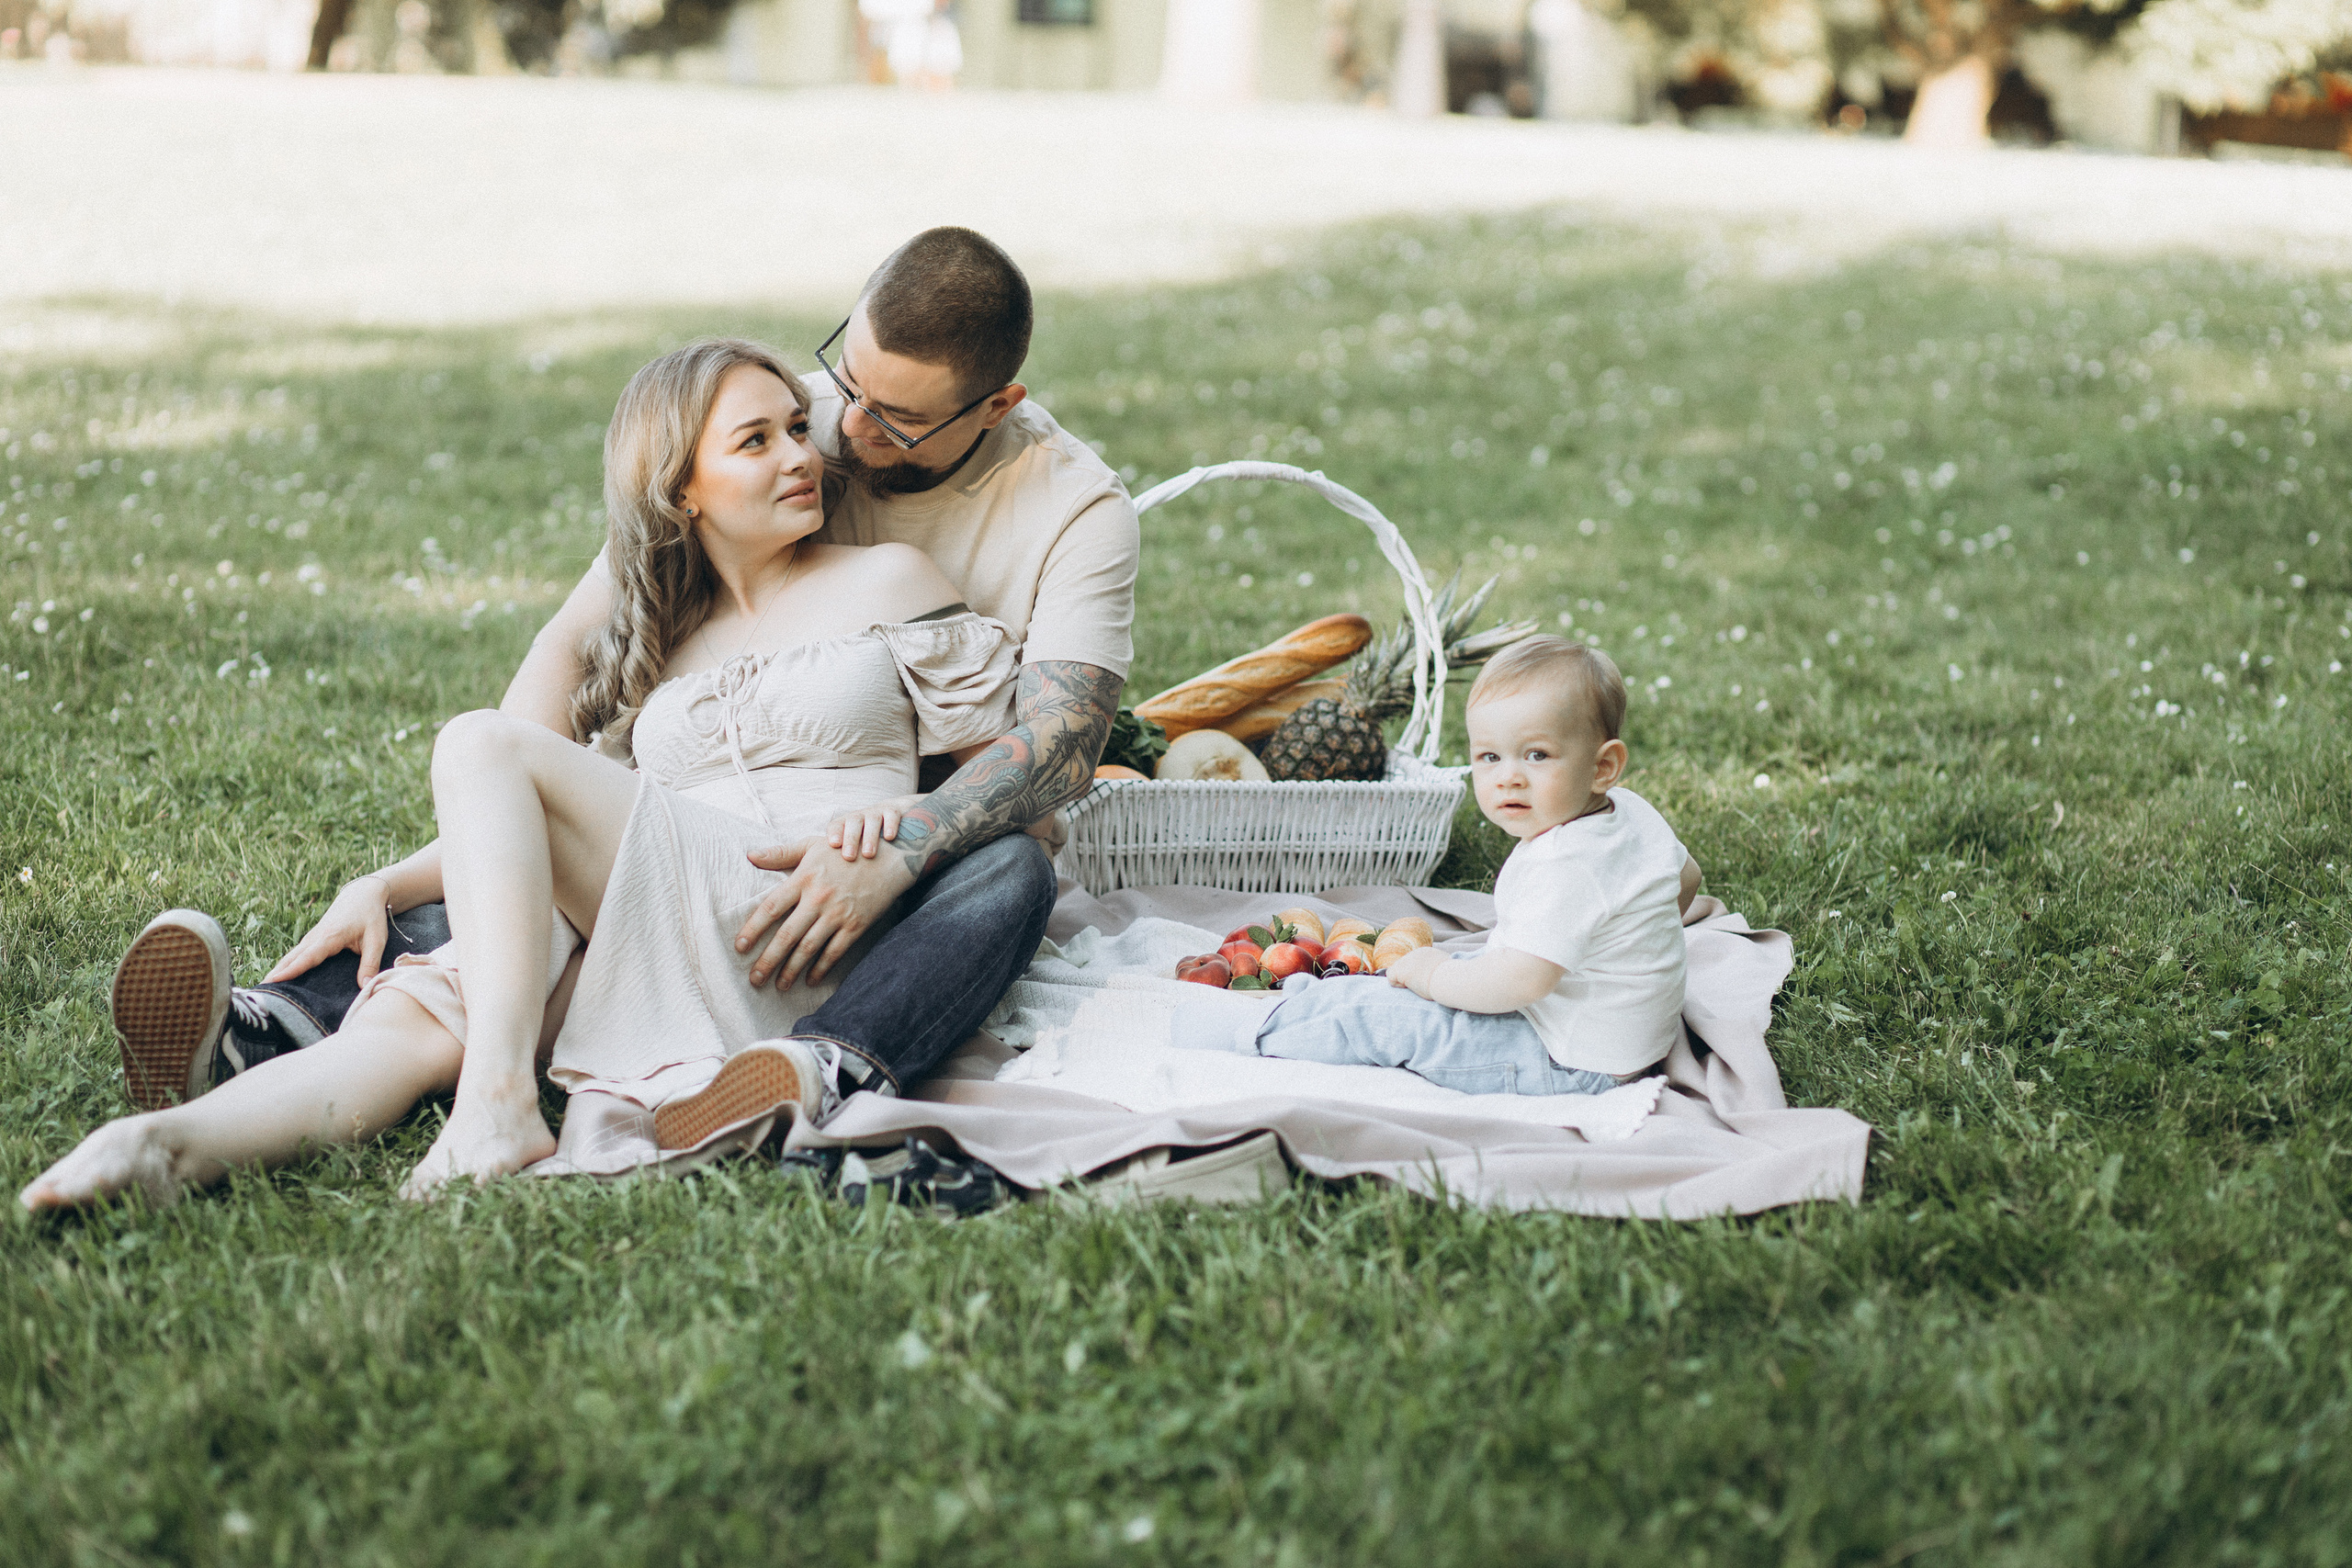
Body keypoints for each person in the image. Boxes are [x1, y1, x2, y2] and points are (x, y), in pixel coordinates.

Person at [96, 227, 1136, 1129]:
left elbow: (1059, 748)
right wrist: (466, 828)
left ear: (996, 405)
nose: (840, 433)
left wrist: (904, 845)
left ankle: (825, 1062)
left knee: (1012, 872)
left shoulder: (1073, 508)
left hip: (892, 821)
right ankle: (274, 1028)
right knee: (528, 860)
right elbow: (573, 639)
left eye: (894, 419)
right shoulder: (790, 418)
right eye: (847, 378)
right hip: (702, 808)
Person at [1204, 637, 1702, 1095]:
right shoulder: (1631, 811)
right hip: (1620, 1042)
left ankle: (1245, 1031)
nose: (1508, 777)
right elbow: (1687, 879)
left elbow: (1519, 984)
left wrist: (1434, 977)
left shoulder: (1568, 865)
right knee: (1438, 973)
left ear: (1602, 767)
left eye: (1536, 755)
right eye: (1489, 757)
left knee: (1392, 1019)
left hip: (1567, 1060)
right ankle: (1311, 1001)